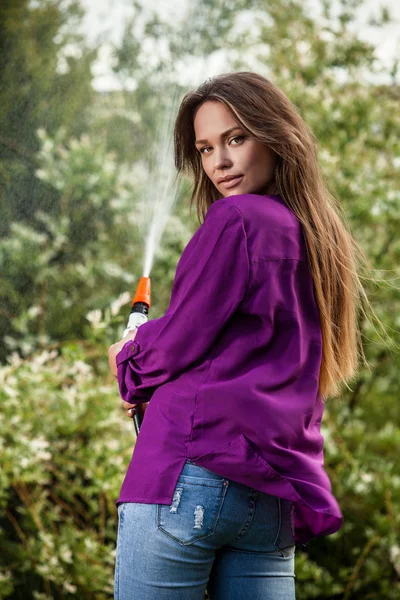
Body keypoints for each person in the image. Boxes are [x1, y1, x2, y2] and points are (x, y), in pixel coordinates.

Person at [108, 71, 371, 600]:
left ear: (275, 136)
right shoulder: (319, 237)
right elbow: (234, 338)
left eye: (236, 138)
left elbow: (182, 338)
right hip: (270, 491)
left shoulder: (237, 219)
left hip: (186, 475)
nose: (219, 163)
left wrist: (128, 358)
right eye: (205, 149)